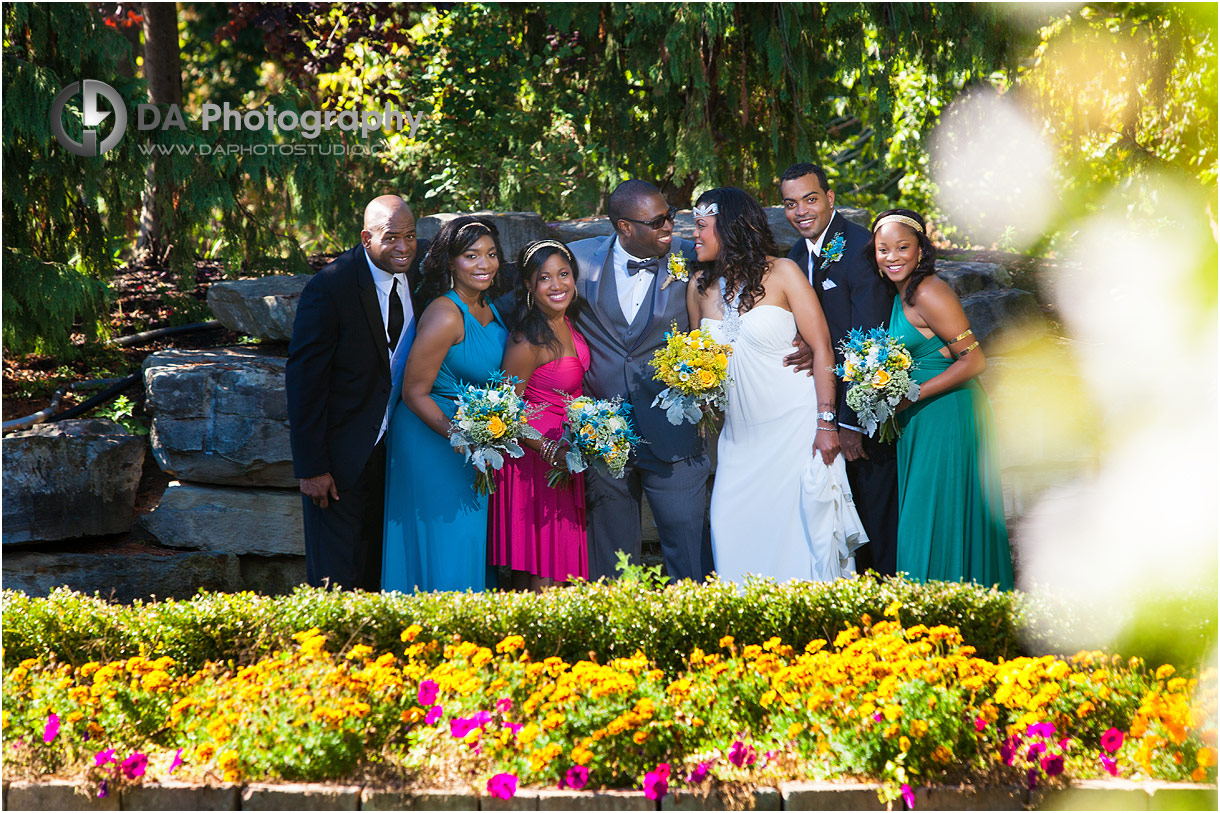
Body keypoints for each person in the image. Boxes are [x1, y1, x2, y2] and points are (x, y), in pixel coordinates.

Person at [687, 187, 865, 583]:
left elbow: (821, 350)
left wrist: (825, 423)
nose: (694, 235)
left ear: (730, 227)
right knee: (729, 529)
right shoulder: (699, 285)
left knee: (801, 541)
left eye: (701, 226)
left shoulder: (784, 272)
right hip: (738, 440)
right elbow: (696, 358)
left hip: (796, 431)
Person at [568, 180, 713, 582]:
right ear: (624, 227)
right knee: (610, 562)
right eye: (657, 221)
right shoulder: (578, 261)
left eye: (670, 215)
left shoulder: (692, 255)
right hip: (604, 435)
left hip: (675, 434)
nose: (670, 226)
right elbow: (526, 305)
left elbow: (749, 289)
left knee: (689, 551)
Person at [286, 195, 425, 591]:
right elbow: (304, 381)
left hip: (400, 455)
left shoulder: (423, 273)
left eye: (411, 236)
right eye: (392, 238)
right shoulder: (330, 287)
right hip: (340, 459)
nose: (404, 248)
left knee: (383, 570)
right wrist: (312, 467)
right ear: (366, 238)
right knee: (336, 577)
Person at [871, 208, 1013, 590]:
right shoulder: (901, 295)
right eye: (884, 249)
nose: (893, 256)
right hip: (922, 420)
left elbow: (975, 360)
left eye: (903, 247)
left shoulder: (929, 291)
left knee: (930, 515)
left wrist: (911, 394)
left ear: (920, 250)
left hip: (948, 415)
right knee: (934, 514)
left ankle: (934, 617)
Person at [780, 163, 900, 578]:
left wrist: (850, 424)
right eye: (791, 204)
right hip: (820, 417)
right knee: (842, 530)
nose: (801, 211)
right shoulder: (795, 256)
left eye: (810, 199)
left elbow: (870, 342)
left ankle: (891, 613)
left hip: (861, 420)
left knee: (876, 525)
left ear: (830, 199)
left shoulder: (862, 250)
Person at [382, 216, 510, 593]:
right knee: (446, 540)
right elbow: (414, 392)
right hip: (433, 437)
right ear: (451, 262)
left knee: (468, 540)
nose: (484, 264)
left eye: (490, 254)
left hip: (474, 438)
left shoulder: (488, 306)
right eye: (471, 256)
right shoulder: (445, 313)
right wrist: (461, 438)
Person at [490, 239, 590, 590]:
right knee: (543, 572)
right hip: (536, 460)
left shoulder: (570, 321)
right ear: (529, 286)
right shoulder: (525, 340)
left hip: (566, 453)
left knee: (565, 570)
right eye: (544, 278)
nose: (557, 285)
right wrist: (550, 450)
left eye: (563, 274)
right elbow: (504, 413)